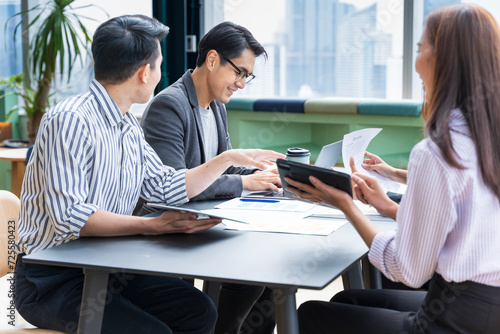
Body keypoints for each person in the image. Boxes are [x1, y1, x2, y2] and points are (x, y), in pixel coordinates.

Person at [14, 15, 284, 334]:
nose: (159, 75)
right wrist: (152, 226)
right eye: (158, 65)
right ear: (145, 72)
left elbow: (164, 186)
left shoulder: (128, 126)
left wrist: (225, 160)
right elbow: (71, 217)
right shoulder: (68, 120)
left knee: (199, 312)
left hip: (110, 265)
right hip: (51, 279)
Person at [286, 4, 500, 333]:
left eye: (420, 48)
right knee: (349, 301)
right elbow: (463, 229)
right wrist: (388, 206)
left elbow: (409, 270)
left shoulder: (437, 151)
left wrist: (345, 205)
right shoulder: (488, 138)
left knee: (310, 314)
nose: (416, 62)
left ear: (442, 59)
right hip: (485, 307)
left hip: (450, 320)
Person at [139, 21, 278, 334]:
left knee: (271, 280)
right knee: (249, 279)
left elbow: (224, 169)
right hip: (168, 232)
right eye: (239, 72)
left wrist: (262, 174)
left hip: (207, 223)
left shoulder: (216, 106)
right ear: (213, 60)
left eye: (247, 76)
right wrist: (245, 183)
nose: (241, 83)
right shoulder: (169, 106)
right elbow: (174, 188)